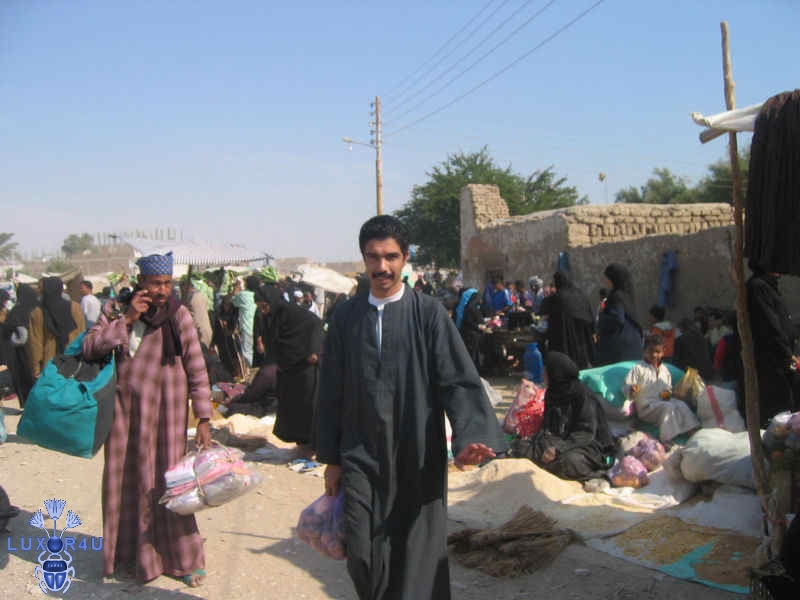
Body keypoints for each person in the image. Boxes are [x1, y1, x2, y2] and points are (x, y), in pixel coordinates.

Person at [315, 215, 506, 600]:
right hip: (360, 453)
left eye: (391, 257)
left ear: (405, 258)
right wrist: (331, 459)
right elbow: (330, 389)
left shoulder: (428, 314)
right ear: (364, 259)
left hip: (417, 453)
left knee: (416, 553)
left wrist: (469, 437)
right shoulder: (346, 317)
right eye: (373, 257)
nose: (382, 266)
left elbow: (457, 380)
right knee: (361, 553)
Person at [81, 252, 211, 587]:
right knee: (125, 481)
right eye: (155, 283)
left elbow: (197, 368)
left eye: (167, 283)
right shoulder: (115, 309)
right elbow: (90, 347)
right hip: (124, 415)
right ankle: (128, 556)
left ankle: (183, 559)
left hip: (168, 414)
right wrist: (126, 319)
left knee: (171, 485)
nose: (162, 290)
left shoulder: (178, 315)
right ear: (141, 282)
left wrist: (204, 417)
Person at [523, 352, 616, 481]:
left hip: (586, 444)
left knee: (568, 462)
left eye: (546, 372)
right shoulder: (552, 392)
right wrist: (541, 443)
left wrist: (558, 449)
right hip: (561, 440)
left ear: (556, 373)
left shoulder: (582, 395)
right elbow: (548, 427)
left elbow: (585, 433)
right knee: (523, 448)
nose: (543, 375)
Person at [256, 286, 322, 459]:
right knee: (292, 410)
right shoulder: (272, 318)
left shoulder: (294, 313)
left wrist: (314, 349)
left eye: (264, 306)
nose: (263, 311)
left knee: (307, 410)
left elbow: (315, 323)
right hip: (288, 370)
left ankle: (311, 448)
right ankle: (301, 447)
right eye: (260, 307)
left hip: (305, 369)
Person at [747, 264, 800, 425]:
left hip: (786, 357)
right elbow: (770, 326)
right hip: (774, 360)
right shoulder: (758, 287)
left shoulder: (769, 286)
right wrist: (788, 354)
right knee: (781, 410)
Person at [624, 334, 700, 442]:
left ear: (663, 352)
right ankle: (668, 439)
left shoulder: (665, 370)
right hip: (647, 408)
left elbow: (666, 393)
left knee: (681, 405)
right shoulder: (638, 368)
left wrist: (670, 395)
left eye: (657, 352)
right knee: (668, 408)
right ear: (644, 351)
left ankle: (692, 431)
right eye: (650, 351)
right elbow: (627, 386)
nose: (654, 355)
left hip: (661, 402)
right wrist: (632, 389)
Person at [28, 277, 85, 379]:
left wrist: (36, 368)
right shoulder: (75, 307)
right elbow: (81, 334)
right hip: (73, 358)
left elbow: (36, 343)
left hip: (50, 362)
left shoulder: (38, 312)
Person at [539, 270, 595, 369]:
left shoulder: (557, 298)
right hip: (582, 343)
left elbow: (543, 308)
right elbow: (590, 318)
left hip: (563, 343)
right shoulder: (581, 296)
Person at [596, 263, 643, 366]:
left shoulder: (616, 296)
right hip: (634, 345)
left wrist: (602, 315)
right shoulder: (628, 296)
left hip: (620, 348)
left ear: (614, 279)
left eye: (608, 278)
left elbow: (617, 319)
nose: (606, 281)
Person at [0, 284, 37, 406]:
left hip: (19, 351)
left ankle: (26, 403)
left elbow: (9, 330)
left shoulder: (16, 311)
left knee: (23, 375)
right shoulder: (38, 308)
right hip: (35, 349)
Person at [673, 317, 715, 382]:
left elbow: (677, 360)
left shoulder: (680, 340)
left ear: (681, 328)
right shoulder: (703, 338)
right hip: (705, 371)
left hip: (690, 373)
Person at [179, 278, 213, 350]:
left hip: (198, 333)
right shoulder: (202, 295)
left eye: (181, 289)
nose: (181, 291)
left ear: (185, 288)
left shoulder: (188, 298)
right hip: (207, 330)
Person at [454, 287, 482, 368]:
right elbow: (469, 321)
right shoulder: (470, 308)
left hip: (463, 334)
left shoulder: (463, 307)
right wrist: (479, 326)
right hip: (470, 336)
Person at [232, 277, 257, 367]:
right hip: (258, 326)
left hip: (247, 326)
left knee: (247, 351)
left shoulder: (243, 295)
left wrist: (236, 288)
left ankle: (250, 368)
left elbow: (233, 301)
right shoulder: (258, 294)